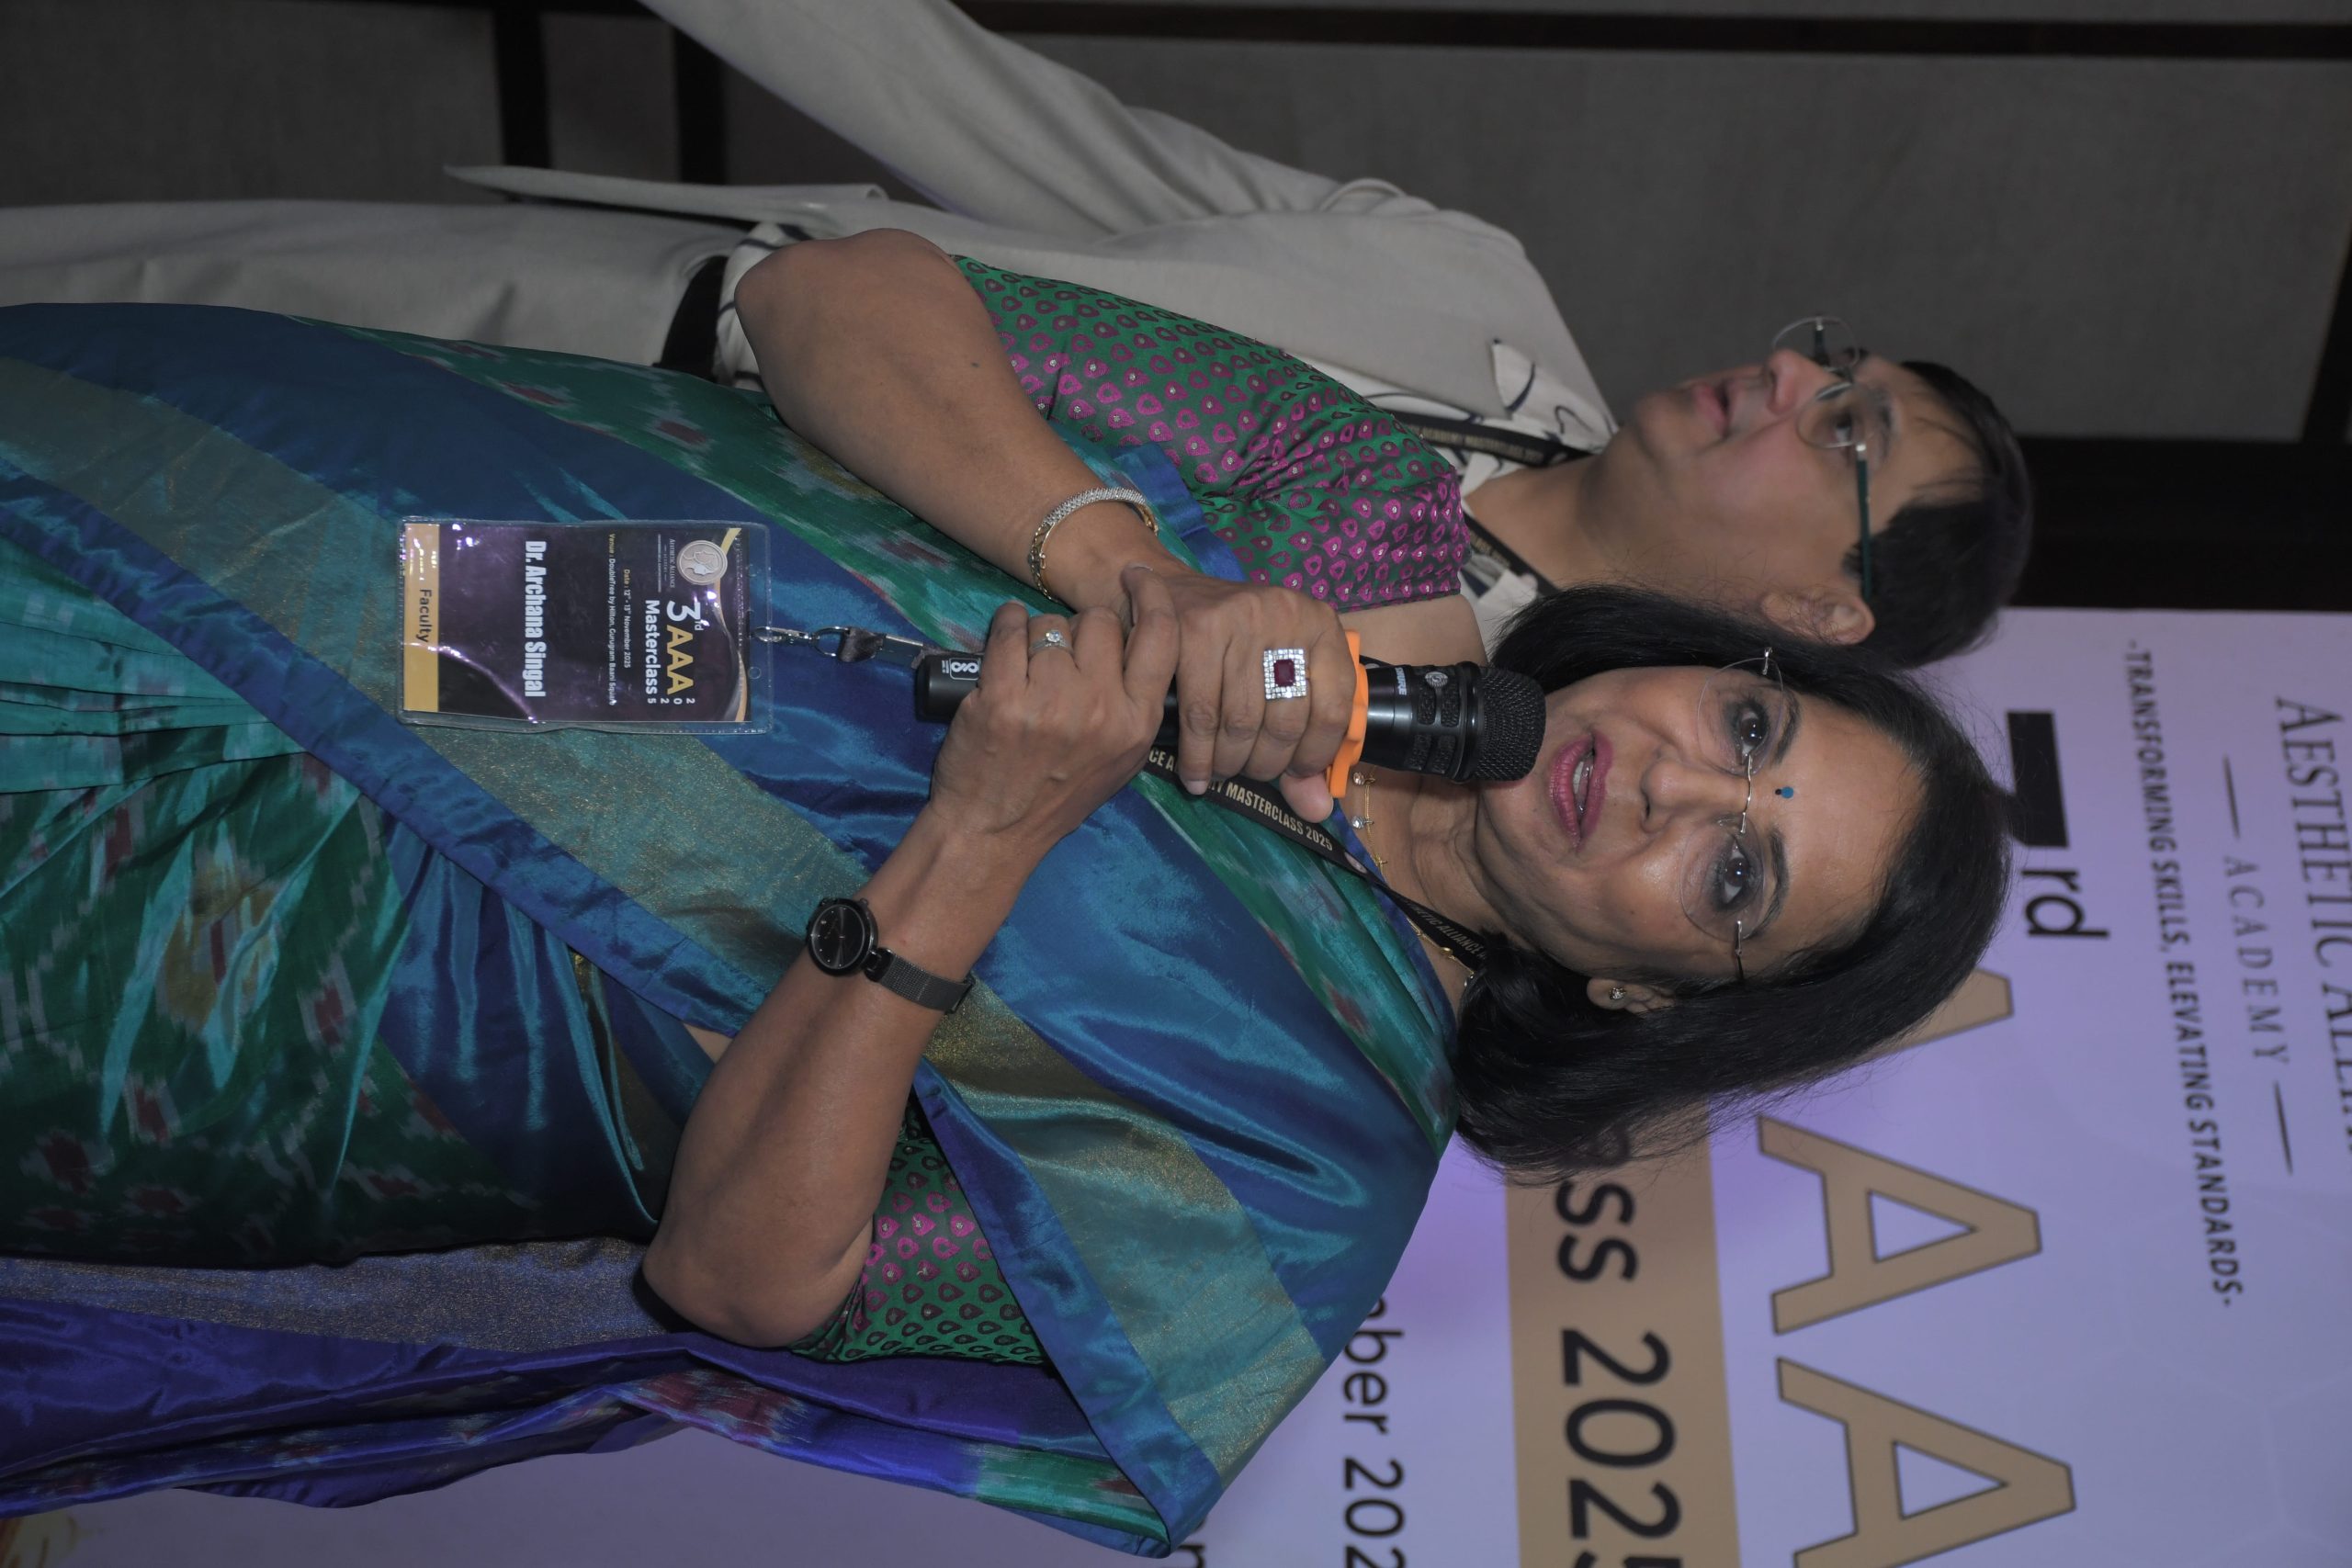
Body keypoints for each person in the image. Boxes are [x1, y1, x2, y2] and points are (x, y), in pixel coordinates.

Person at [0, 251, 2010, 1550]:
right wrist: (1132, 572)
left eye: (1730, 865)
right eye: (1745, 725)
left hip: (283, 1003)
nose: (1668, 776)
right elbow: (826, 296)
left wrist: (978, 838)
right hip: (326, 555)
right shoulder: (1351, 520)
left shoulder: (1301, 1157)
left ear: (1663, 999)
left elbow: (747, 1284)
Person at [0, 0, 2030, 668]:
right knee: (88, 310)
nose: (1791, 378)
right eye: (1830, 356)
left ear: (1821, 612)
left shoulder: (1463, 755)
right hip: (625, 327)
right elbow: (988, 112)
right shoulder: (1465, 283)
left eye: (1845, 432)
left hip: (639, 619)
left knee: (137, 628)